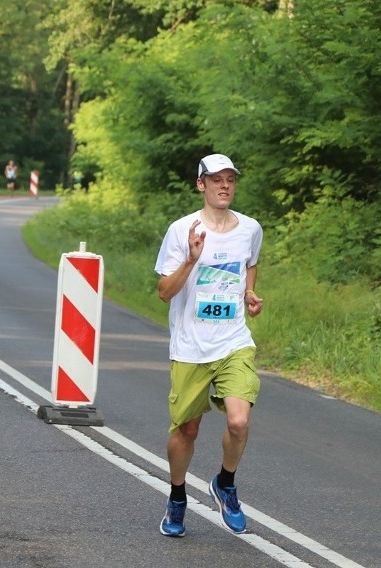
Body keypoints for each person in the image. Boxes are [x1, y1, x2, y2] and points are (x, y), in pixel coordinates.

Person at [154, 153, 264, 537]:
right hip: (190, 346)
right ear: (200, 184)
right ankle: (178, 497)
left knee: (239, 420)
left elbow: (250, 261)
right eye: (216, 179)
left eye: (230, 179)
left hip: (234, 341)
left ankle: (226, 483)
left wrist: (249, 292)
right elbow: (165, 292)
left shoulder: (250, 228)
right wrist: (190, 259)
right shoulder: (182, 230)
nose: (224, 186)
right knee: (187, 431)